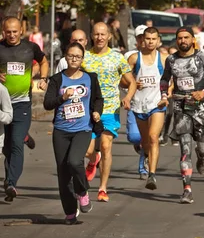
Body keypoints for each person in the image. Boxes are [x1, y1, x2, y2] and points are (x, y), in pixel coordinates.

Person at [158, 27, 204, 204]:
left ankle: (202, 157)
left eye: (186, 37)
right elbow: (164, 80)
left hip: (201, 109)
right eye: (179, 38)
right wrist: (164, 96)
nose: (182, 41)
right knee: (184, 151)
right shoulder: (171, 59)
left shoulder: (202, 57)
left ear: (192, 39)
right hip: (181, 108)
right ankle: (187, 189)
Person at [43, 42, 103, 224]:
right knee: (63, 173)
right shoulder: (57, 79)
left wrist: (96, 111)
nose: (74, 59)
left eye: (78, 56)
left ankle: (82, 191)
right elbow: (47, 104)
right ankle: (70, 212)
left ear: (82, 59)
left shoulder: (90, 78)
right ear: (65, 57)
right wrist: (63, 97)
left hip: (82, 129)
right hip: (61, 130)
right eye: (70, 56)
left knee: (75, 161)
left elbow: (98, 98)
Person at [82, 22, 136, 202]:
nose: (99, 38)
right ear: (91, 35)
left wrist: (127, 97)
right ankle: (92, 161)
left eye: (103, 34)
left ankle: (102, 188)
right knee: (87, 149)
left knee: (105, 146)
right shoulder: (84, 57)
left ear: (109, 36)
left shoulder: (117, 57)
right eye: (96, 34)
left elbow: (132, 82)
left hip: (110, 107)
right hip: (87, 109)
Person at [0, 16, 49, 201]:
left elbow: (43, 61)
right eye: (8, 32)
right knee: (7, 147)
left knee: (16, 143)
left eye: (15, 31)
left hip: (22, 103)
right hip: (2, 105)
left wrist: (43, 78)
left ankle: (11, 183)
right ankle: (25, 136)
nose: (11, 35)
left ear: (21, 30)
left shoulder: (30, 48)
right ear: (3, 31)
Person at [129, 27, 168, 190]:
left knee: (153, 137)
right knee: (145, 141)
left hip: (157, 104)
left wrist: (167, 95)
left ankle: (151, 175)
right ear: (142, 40)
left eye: (154, 39)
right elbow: (123, 80)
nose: (151, 42)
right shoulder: (133, 59)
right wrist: (131, 83)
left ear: (158, 40)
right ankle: (145, 154)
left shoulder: (164, 59)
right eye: (148, 39)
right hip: (139, 105)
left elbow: (171, 80)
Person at [124, 25, 149, 180]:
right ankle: (141, 147)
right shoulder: (130, 56)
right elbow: (122, 79)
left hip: (153, 103)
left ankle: (143, 167)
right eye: (140, 37)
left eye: (145, 37)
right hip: (135, 102)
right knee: (135, 137)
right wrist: (132, 83)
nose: (143, 40)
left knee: (149, 137)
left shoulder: (159, 56)